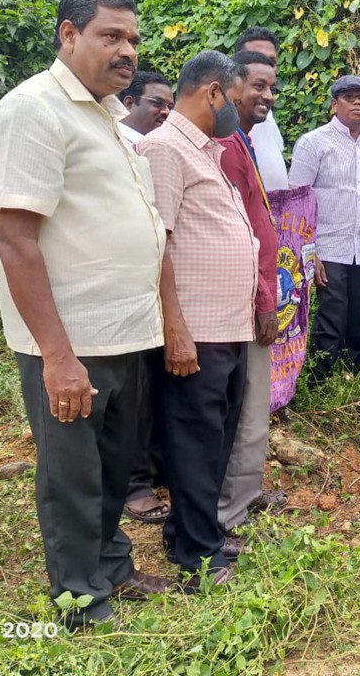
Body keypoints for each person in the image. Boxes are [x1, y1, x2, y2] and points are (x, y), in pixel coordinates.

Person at [0, 0, 170, 627]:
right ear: (68, 34)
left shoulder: (110, 116)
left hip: (124, 331)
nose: (128, 51)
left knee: (112, 469)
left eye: (133, 39)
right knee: (72, 476)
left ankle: (112, 566)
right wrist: (58, 357)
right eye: (111, 36)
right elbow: (15, 238)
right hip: (70, 340)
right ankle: (80, 598)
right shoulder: (32, 111)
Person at [135, 50, 258, 588]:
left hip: (226, 326)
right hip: (196, 331)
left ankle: (191, 531)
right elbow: (155, 244)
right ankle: (198, 557)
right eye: (236, 99)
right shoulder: (165, 149)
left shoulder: (205, 150)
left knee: (213, 442)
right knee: (193, 445)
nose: (239, 109)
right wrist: (175, 329)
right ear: (213, 93)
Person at [214, 50, 288, 557]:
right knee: (239, 409)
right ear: (232, 87)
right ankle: (228, 512)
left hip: (256, 292)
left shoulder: (245, 141)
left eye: (272, 87)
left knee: (252, 406)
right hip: (238, 298)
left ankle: (245, 495)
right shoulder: (224, 146)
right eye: (258, 85)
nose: (267, 96)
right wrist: (264, 300)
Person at [289, 75, 360, 383]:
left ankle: (350, 381)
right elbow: (297, 200)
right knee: (331, 317)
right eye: (350, 97)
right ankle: (318, 383)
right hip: (327, 248)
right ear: (334, 104)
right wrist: (310, 252)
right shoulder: (313, 143)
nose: (358, 102)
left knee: (359, 320)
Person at [117, 69, 174, 524]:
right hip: (127, 287)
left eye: (169, 105)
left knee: (158, 383)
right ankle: (135, 483)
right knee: (133, 391)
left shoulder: (160, 148)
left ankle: (156, 468)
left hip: (160, 286)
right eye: (156, 103)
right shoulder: (117, 144)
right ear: (129, 102)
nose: (164, 112)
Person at [234, 27, 288, 191]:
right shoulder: (227, 130)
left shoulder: (265, 112)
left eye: (271, 62)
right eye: (256, 59)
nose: (265, 67)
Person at [117, 70, 173, 144]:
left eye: (170, 107)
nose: (167, 112)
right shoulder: (111, 140)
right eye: (158, 103)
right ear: (129, 103)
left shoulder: (155, 146)